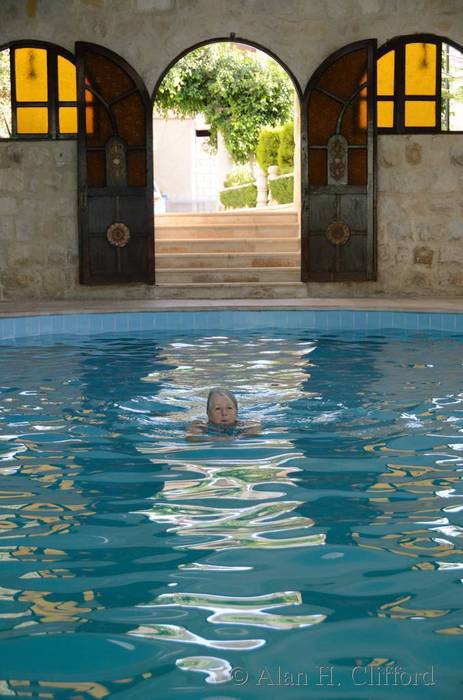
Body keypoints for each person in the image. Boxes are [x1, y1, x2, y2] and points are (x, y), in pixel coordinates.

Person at [186, 387, 260, 439]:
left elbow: (256, 427)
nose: (224, 413)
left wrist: (239, 437)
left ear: (236, 411)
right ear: (208, 413)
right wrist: (213, 439)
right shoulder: (200, 425)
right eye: (217, 409)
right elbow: (191, 438)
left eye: (229, 408)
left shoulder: (244, 425)